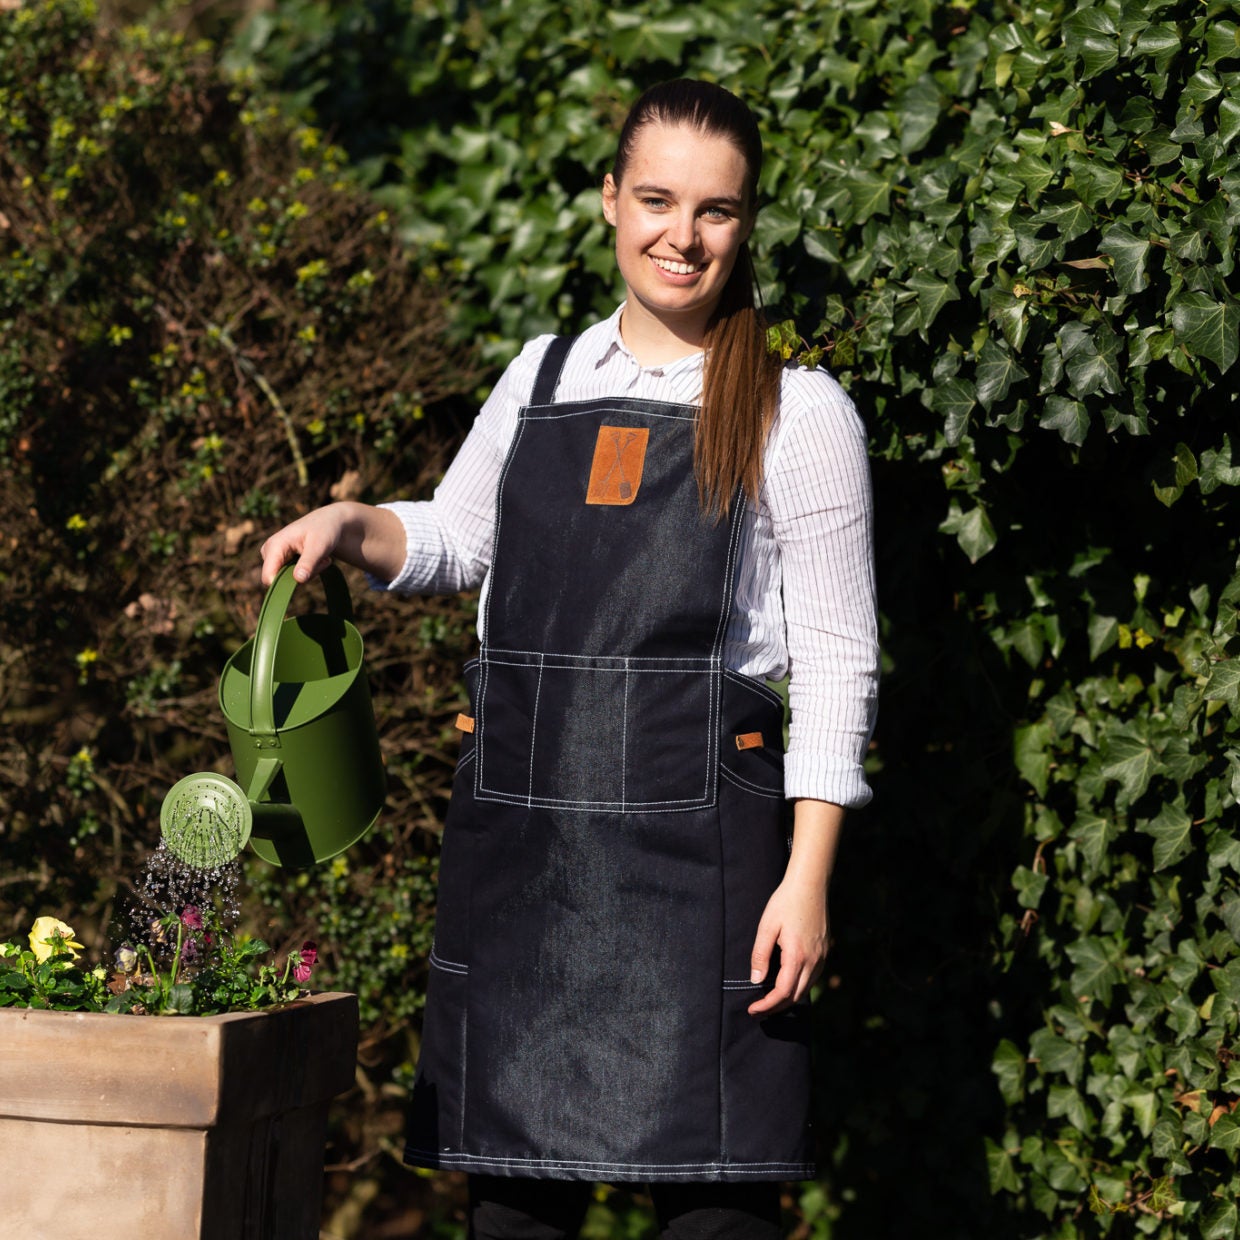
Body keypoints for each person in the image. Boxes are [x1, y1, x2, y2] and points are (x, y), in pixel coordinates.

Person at [260, 79, 877, 1240]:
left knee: (718, 1203)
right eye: (654, 200)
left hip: (709, 873)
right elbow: (453, 539)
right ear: (608, 201)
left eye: (715, 211)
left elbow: (841, 666)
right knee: (510, 1206)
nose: (679, 237)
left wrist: (808, 879)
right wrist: (347, 526)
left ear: (747, 225)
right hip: (530, 858)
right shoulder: (541, 376)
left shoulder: (799, 414)